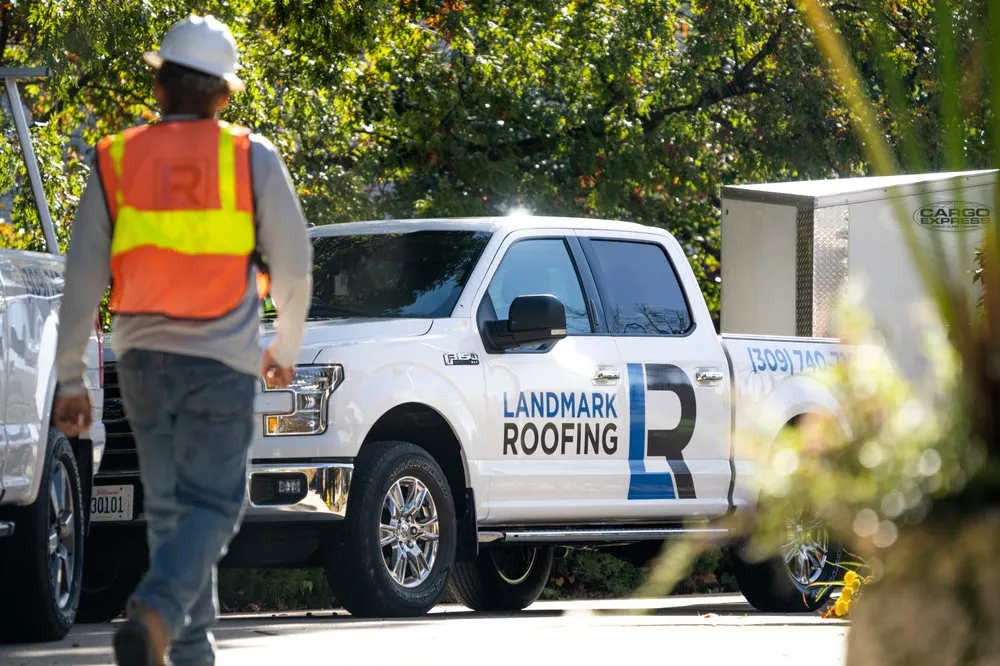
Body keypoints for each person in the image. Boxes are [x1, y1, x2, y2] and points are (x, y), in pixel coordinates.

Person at [52, 14, 312, 666]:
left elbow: (82, 275)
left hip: (141, 359)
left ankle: (189, 653)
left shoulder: (117, 159)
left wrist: (69, 379)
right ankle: (158, 614)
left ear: (161, 86)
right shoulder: (251, 157)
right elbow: (295, 264)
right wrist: (284, 350)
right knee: (216, 507)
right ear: (224, 94)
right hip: (222, 359)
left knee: (173, 514)